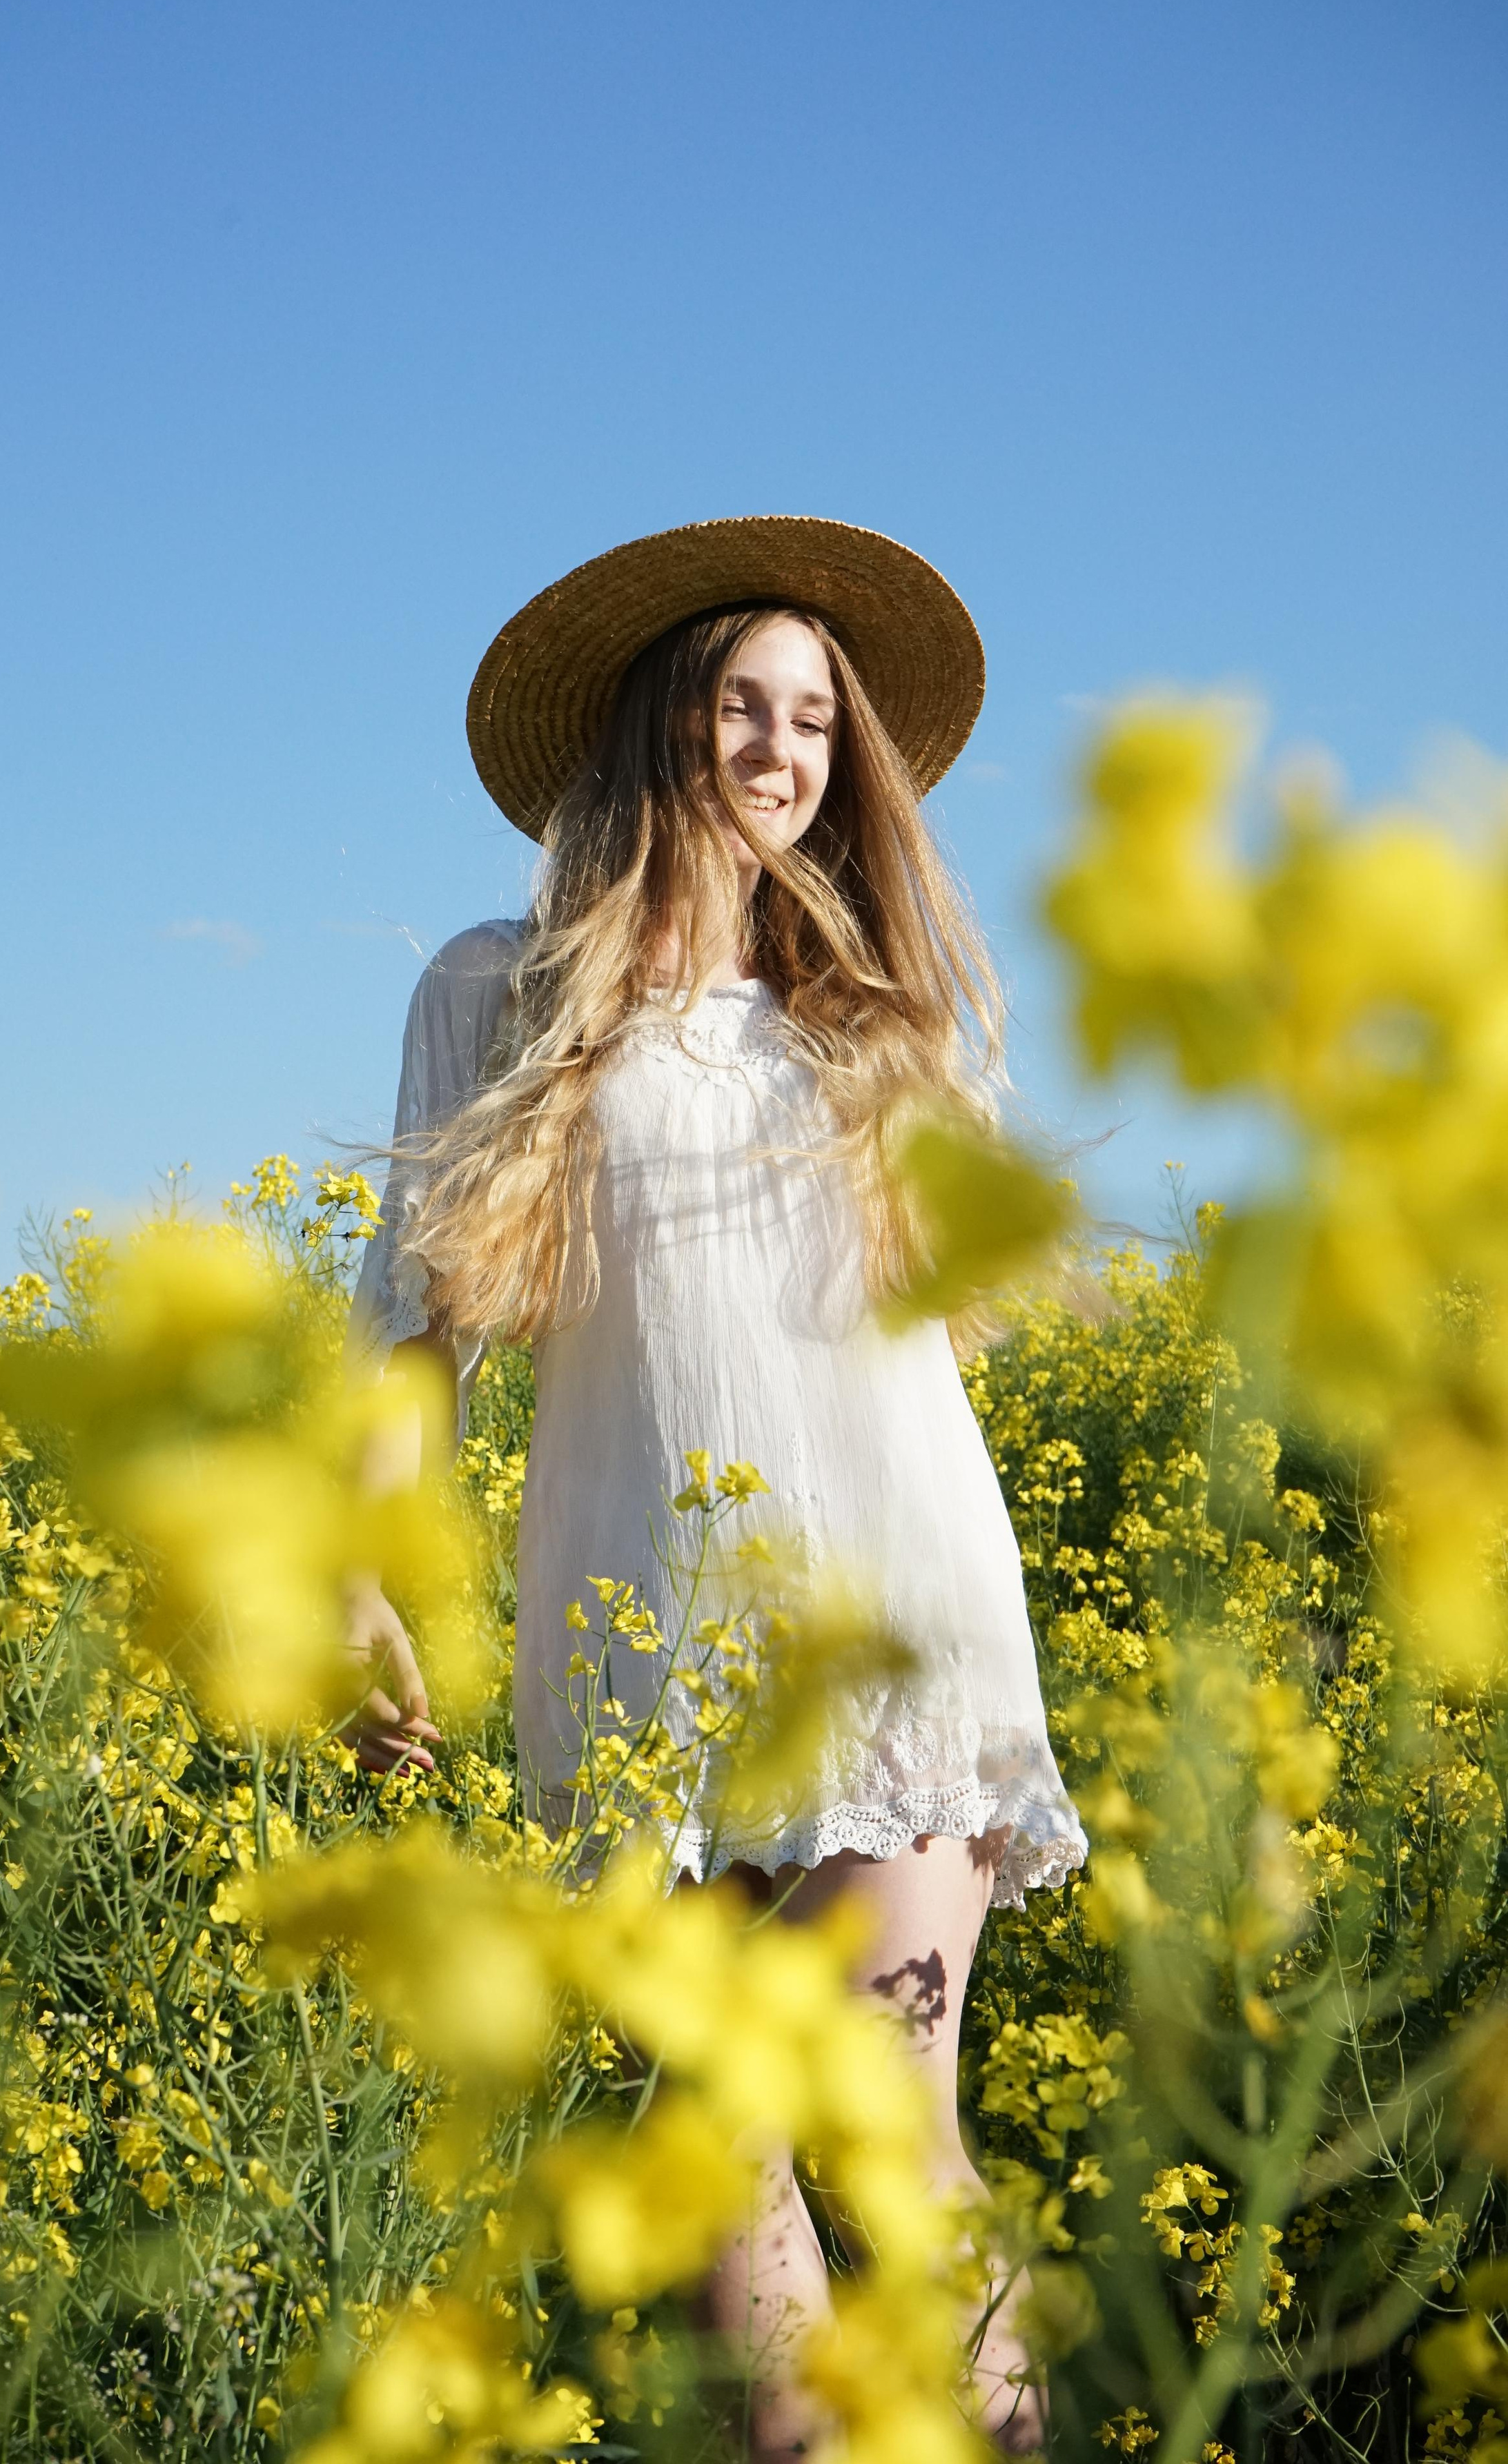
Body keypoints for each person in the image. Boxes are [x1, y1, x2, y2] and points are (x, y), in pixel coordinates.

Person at [346, 516, 1088, 2456]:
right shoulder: (496, 989)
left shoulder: (867, 1014)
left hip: (899, 1607)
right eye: (744, 711)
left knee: (894, 2113)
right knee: (714, 2149)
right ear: (659, 729)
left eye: (819, 725)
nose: (784, 754)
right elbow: (414, 1338)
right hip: (639, 1633)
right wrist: (364, 1580)